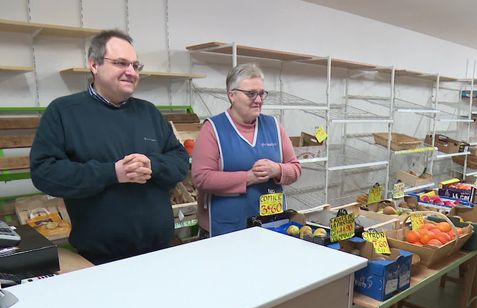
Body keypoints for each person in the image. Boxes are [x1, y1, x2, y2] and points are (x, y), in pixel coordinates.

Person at [30, 30, 189, 265]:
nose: (131, 72)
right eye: (121, 63)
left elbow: (179, 160)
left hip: (160, 250)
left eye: (136, 65)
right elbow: (45, 173)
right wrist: (112, 173)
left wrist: (153, 165)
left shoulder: (149, 113)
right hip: (99, 258)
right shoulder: (64, 112)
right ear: (94, 64)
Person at [192, 63, 301, 236]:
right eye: (251, 94)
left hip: (271, 222)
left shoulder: (274, 126)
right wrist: (248, 177)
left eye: (261, 93)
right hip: (228, 227)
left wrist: (277, 170)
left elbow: (295, 168)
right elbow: (201, 178)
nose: (258, 100)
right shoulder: (213, 129)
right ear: (232, 95)